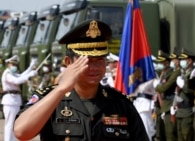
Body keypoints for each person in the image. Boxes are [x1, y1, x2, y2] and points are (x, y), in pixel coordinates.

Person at [14, 19, 149, 141]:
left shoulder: (120, 103)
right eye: (87, 60)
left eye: (100, 60)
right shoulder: (50, 99)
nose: (94, 67)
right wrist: (61, 89)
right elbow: (21, 132)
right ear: (68, 62)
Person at [1, 55, 37, 141]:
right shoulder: (7, 74)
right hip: (10, 101)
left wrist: (31, 67)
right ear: (8, 64)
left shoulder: (12, 73)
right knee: (10, 124)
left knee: (13, 124)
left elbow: (21, 75)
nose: (14, 66)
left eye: (15, 65)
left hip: (14, 101)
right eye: (12, 64)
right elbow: (17, 80)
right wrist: (29, 75)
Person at [154, 49, 180, 141]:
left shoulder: (174, 73)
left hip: (169, 106)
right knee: (162, 134)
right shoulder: (164, 74)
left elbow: (164, 88)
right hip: (164, 106)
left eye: (174, 59)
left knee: (170, 135)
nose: (173, 61)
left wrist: (157, 87)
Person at [174, 48, 195, 141]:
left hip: (188, 111)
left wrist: (183, 86)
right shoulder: (183, 74)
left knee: (187, 137)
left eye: (183, 60)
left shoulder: (194, 74)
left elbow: (194, 91)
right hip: (180, 111)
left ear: (190, 61)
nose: (181, 62)